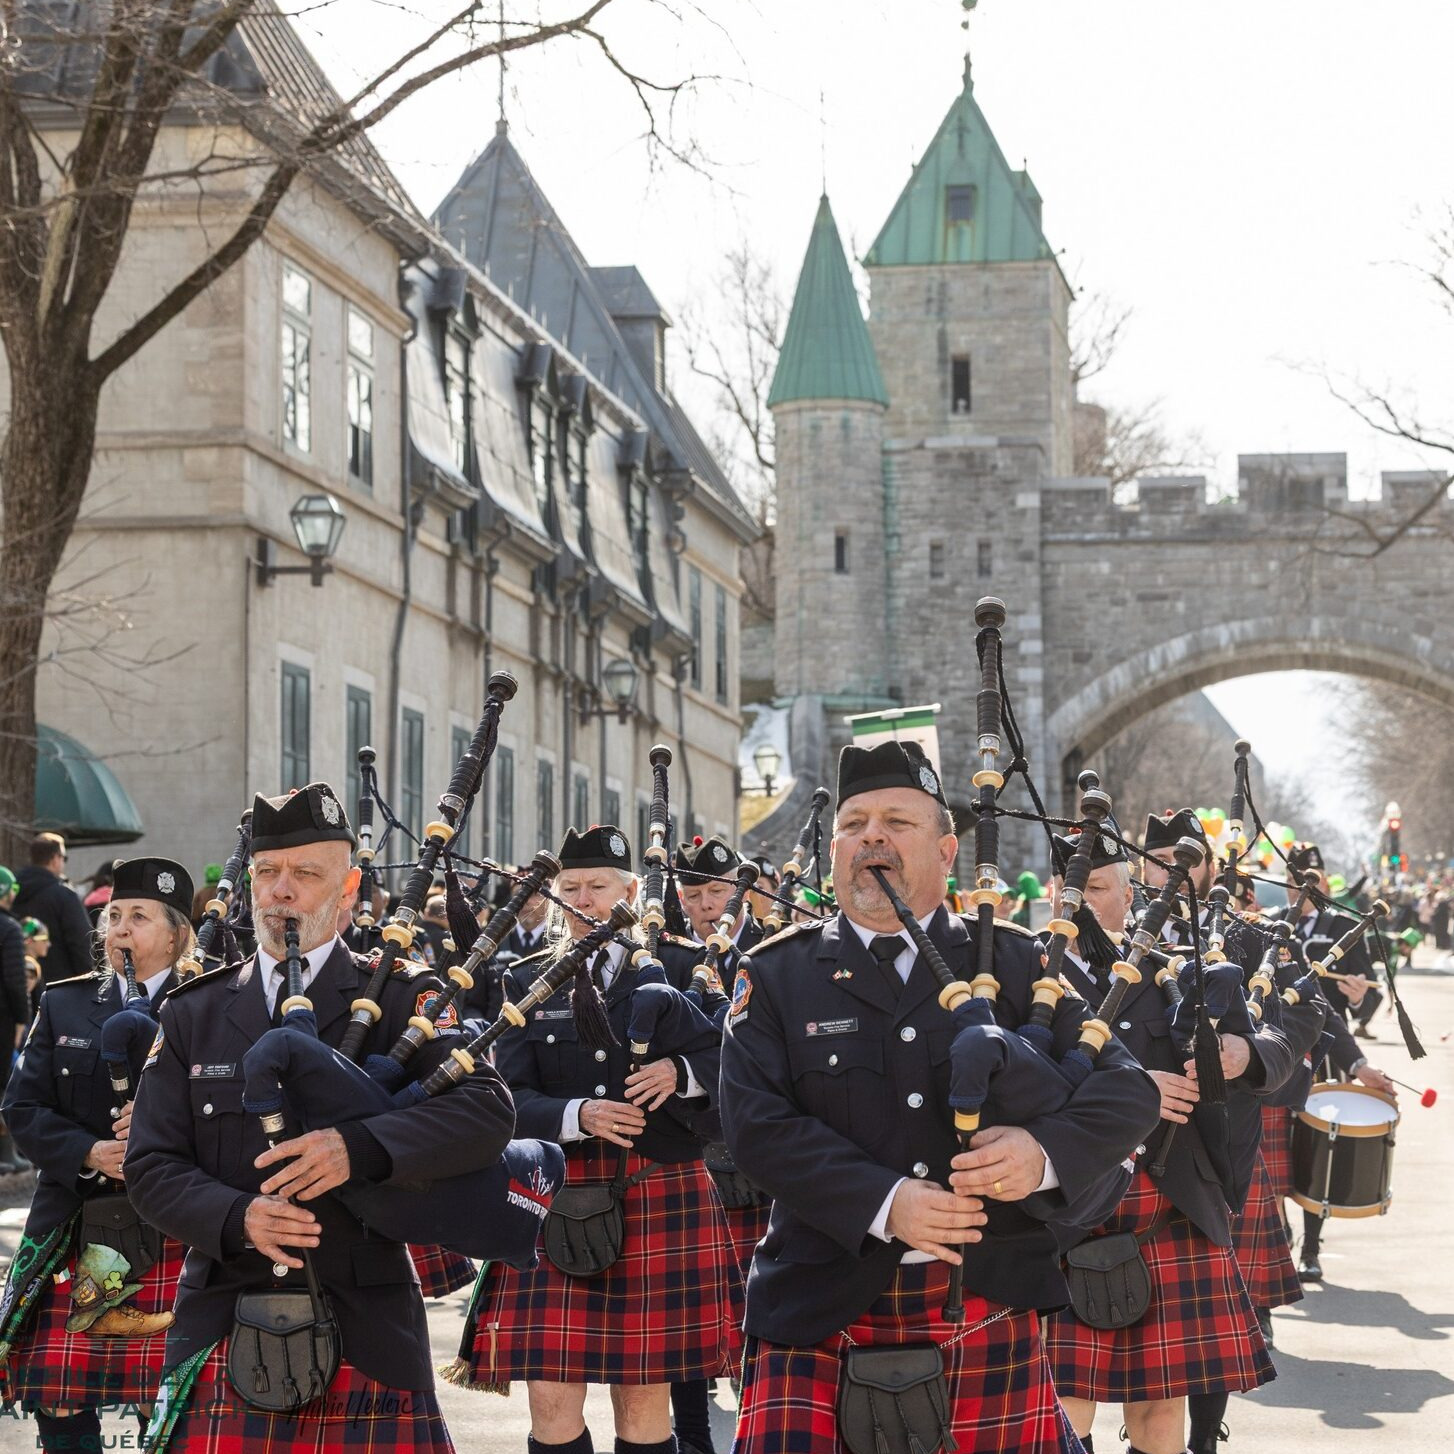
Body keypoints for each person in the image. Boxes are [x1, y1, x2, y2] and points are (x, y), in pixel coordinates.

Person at [721, 741, 1161, 1454]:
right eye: (855, 822)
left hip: (988, 1299)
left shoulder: (1018, 964)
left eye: (898, 821)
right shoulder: (776, 974)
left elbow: (1128, 1092)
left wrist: (1040, 1155)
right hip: (818, 1302)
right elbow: (755, 1125)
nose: (871, 836)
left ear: (949, 851)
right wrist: (887, 1203)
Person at [124, 782, 516, 1452]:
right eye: (268, 873)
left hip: (365, 1323)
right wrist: (235, 1216)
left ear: (350, 886)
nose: (282, 891)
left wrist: (356, 1147)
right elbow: (152, 1165)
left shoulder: (403, 997)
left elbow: (486, 1111)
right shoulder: (192, 1012)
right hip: (223, 1314)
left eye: (306, 873)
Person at [454, 824, 734, 1454]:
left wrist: (681, 1073)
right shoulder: (527, 980)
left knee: (642, 1401)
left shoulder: (686, 967)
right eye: (570, 888)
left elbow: (740, 1064)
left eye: (598, 887)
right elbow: (508, 1099)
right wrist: (581, 1114)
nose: (583, 900)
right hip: (557, 1198)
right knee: (550, 1401)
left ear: (631, 891)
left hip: (658, 1188)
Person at [1041, 824, 1298, 1454]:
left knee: (1159, 1411)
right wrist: (1136, 1091)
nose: (1081, 901)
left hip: (1166, 1206)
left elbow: (1276, 1048)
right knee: (1064, 1403)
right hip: (1065, 1211)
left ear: (1129, 896)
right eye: (1070, 888)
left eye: (1098, 887)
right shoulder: (1023, 974)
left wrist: (1246, 1054)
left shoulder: (1175, 974)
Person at [1, 857, 196, 1453]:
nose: (119, 929)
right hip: (77, 1224)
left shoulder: (217, 1004)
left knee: (175, 1407)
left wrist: (170, 1128)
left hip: (180, 1229)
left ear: (176, 933)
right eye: (113, 915)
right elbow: (23, 1108)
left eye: (138, 916)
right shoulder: (64, 1004)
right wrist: (92, 1151)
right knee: (59, 1407)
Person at [1266, 843, 1397, 1281]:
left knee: (1317, 1150)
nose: (1302, 889)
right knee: (1275, 1151)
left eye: (1311, 881)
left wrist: (1361, 1000)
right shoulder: (1269, 928)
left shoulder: (1341, 927)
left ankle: (1312, 1248)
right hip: (1274, 1053)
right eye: (1294, 881)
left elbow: (1369, 994)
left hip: (1325, 1053)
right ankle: (1279, 1231)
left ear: (1322, 882)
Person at [14, 833, 95, 986]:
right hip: (60, 986)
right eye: (64, 858)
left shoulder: (12, 892)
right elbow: (81, 942)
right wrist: (88, 980)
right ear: (55, 858)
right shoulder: (64, 895)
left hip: (19, 982)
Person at [0, 866, 31, 1173]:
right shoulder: (9, 928)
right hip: (3, 1017)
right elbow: (15, 979)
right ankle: (6, 1154)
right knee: (4, 1085)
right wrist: (22, 1019)